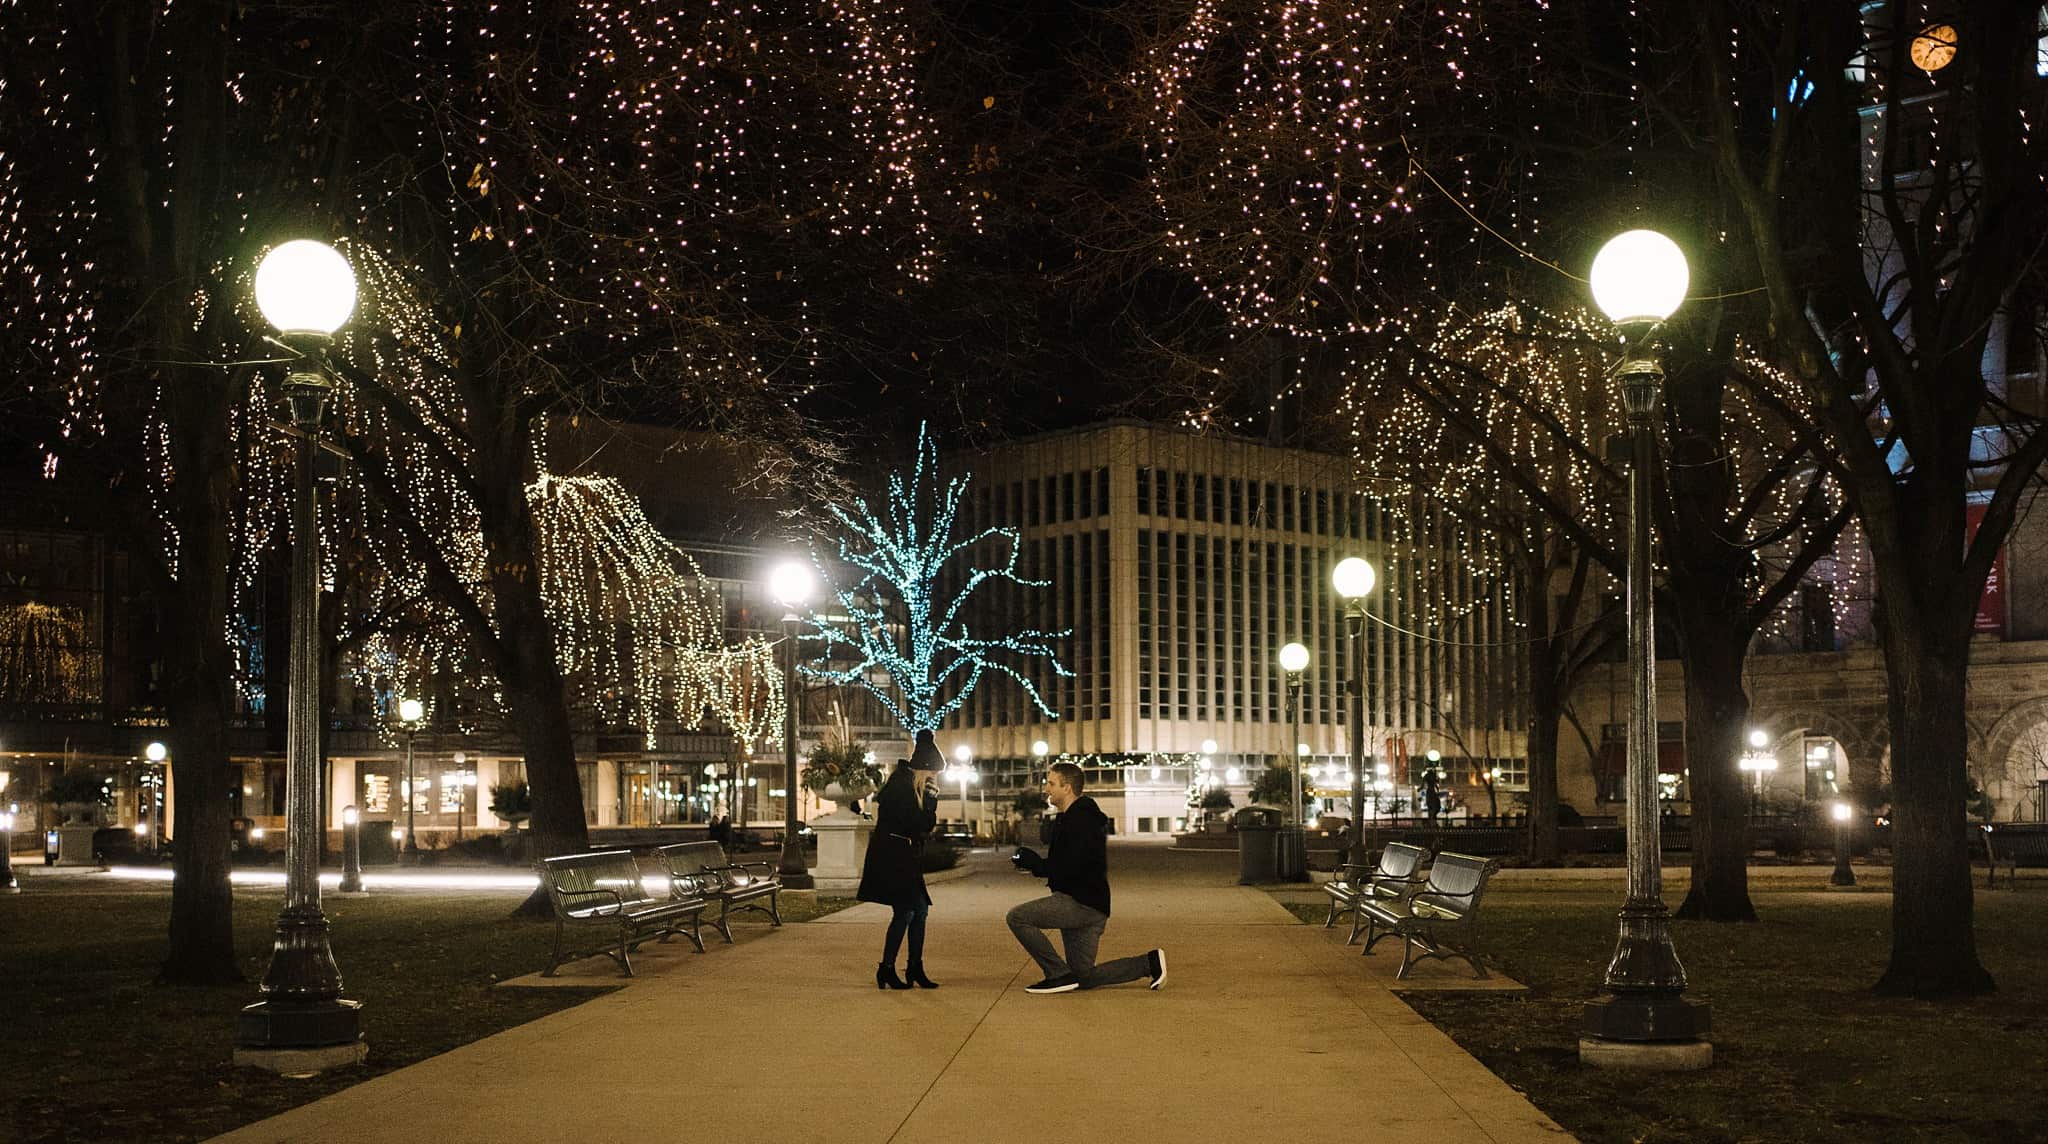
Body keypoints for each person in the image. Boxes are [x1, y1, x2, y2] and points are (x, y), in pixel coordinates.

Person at [1006, 761, 1166, 995]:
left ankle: (1057, 974)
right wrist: (1035, 864)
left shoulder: (1081, 820)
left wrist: (1036, 864)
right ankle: (1148, 963)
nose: (1046, 789)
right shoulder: (1072, 818)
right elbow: (1067, 862)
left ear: (1067, 788)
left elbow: (1073, 866)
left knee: (1017, 917)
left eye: (1051, 784)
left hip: (1080, 903)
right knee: (1083, 977)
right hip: (1091, 905)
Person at [856, 730, 945, 990]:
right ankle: (887, 968)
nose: (935, 778)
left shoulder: (909, 785)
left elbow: (921, 827)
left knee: (919, 911)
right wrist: (930, 801)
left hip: (903, 856)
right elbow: (919, 824)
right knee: (906, 911)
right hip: (892, 857)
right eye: (933, 772)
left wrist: (928, 801)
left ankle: (913, 967)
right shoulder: (901, 787)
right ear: (923, 769)